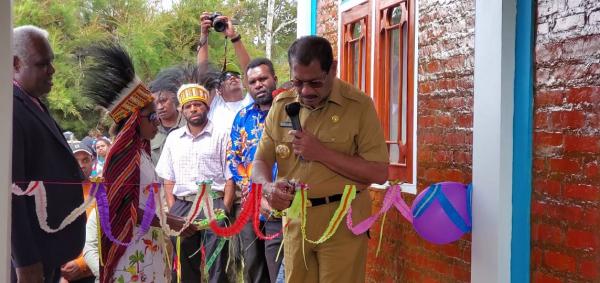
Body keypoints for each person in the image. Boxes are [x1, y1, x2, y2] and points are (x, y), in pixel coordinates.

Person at [252, 36, 389, 283]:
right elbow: (260, 162)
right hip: (296, 219)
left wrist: (321, 153)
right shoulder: (282, 104)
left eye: (315, 82)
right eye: (298, 82)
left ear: (332, 69)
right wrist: (267, 187)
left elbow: (379, 173)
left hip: (343, 221)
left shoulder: (358, 106)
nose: (305, 91)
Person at [81, 43, 195, 283]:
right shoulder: (123, 156)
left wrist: (166, 222)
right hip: (130, 248)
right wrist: (168, 221)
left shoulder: (141, 154)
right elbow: (124, 207)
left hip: (148, 244)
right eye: (152, 116)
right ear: (135, 119)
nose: (157, 121)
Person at [12, 25, 86, 283]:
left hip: (48, 257)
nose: (52, 70)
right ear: (15, 64)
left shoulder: (30, 102)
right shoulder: (10, 109)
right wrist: (25, 262)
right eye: (43, 64)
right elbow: (11, 195)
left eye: (51, 62)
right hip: (28, 265)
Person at [156, 84, 235, 283]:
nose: (193, 109)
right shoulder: (174, 138)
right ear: (182, 110)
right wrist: (174, 208)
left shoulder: (221, 134)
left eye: (198, 105)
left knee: (217, 264)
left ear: (206, 107)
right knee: (184, 263)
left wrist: (225, 207)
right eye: (188, 106)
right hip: (182, 205)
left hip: (213, 202)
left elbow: (230, 177)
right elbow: (168, 179)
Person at [227, 58, 282, 283]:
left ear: (274, 79)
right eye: (253, 81)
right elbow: (233, 157)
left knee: (277, 266)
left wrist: (272, 194)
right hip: (250, 203)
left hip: (281, 205)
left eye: (263, 79)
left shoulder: (289, 113)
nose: (258, 84)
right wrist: (254, 190)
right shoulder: (242, 117)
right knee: (252, 265)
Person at [197, 12, 253, 132]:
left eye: (236, 75)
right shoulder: (214, 104)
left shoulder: (251, 102)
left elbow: (250, 70)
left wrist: (234, 37)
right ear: (218, 90)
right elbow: (202, 72)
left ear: (244, 84)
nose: (232, 77)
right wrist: (204, 35)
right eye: (226, 76)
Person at [60, 142, 97, 283]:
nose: (81, 165)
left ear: (93, 161)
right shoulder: (55, 191)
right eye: (76, 160)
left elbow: (106, 235)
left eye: (85, 160)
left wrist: (82, 264)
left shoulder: (102, 190)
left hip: (91, 269)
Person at [149, 66, 187, 165]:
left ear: (174, 98)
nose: (160, 107)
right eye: (155, 103)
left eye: (163, 101)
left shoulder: (189, 124)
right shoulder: (149, 131)